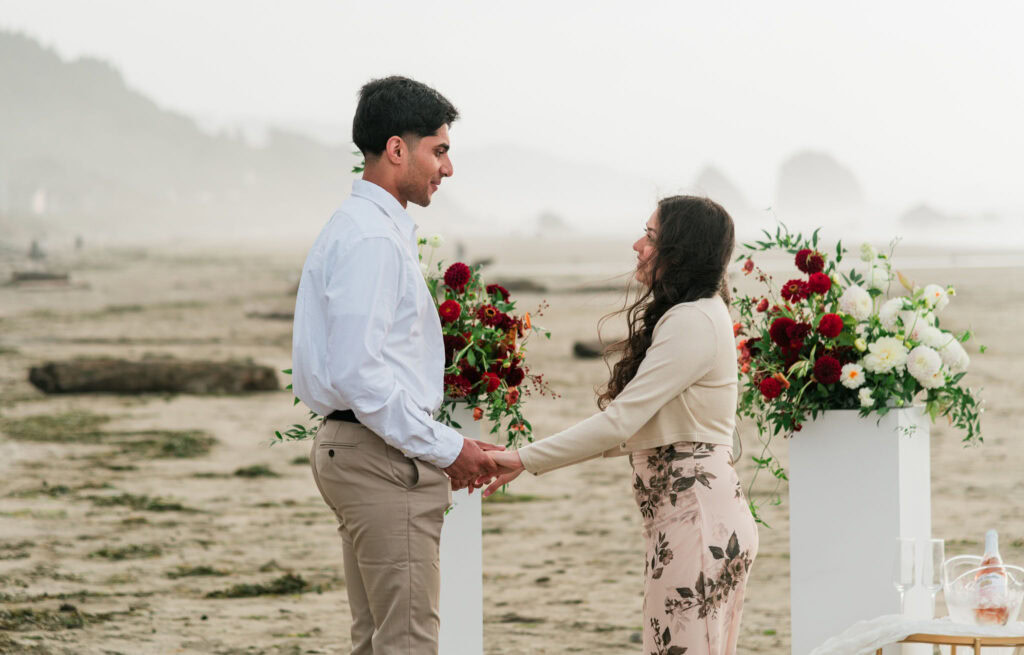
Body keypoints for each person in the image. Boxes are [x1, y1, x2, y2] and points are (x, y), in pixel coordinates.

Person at [484, 196, 758, 655]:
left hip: (698, 524)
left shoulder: (692, 321)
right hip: (690, 521)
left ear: (680, 250)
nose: (637, 245)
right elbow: (639, 428)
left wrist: (521, 458)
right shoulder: (696, 314)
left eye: (650, 237)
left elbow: (619, 422)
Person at [291, 75, 501, 655]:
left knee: (377, 638)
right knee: (406, 641)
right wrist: (446, 447)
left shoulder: (357, 228)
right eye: (440, 150)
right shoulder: (372, 240)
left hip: (356, 449)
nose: (447, 168)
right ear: (396, 148)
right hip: (379, 459)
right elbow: (361, 375)